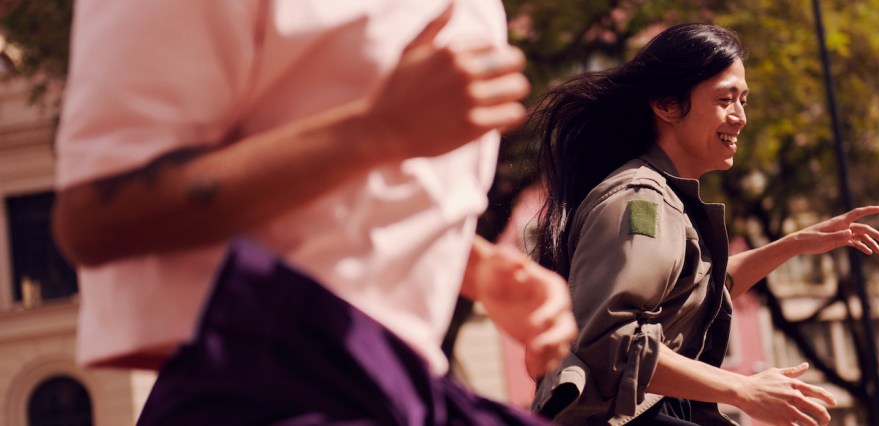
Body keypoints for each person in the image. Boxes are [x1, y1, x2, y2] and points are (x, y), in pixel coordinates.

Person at [52, 0, 576, 423]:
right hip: (264, 389)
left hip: (393, 387)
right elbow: (93, 220)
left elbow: (333, 201)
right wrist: (374, 130)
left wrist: (472, 266)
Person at [529, 23, 879, 425]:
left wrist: (795, 244)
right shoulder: (640, 202)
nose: (740, 118)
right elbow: (609, 341)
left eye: (744, 101)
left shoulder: (661, 196)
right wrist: (744, 389)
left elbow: (702, 290)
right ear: (666, 105)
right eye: (725, 100)